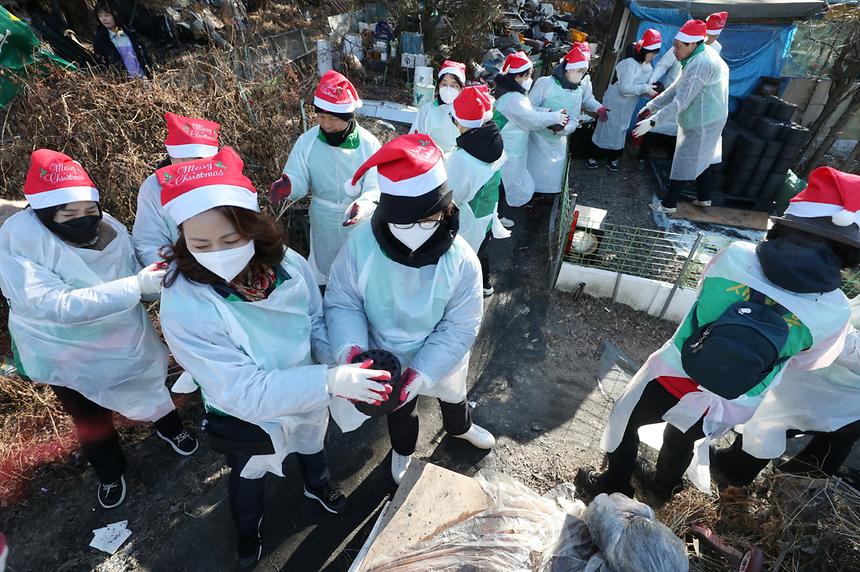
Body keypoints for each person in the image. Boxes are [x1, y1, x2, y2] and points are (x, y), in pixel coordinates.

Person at [156, 147, 391, 566]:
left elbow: (315, 320)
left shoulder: (287, 264)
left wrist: (339, 361)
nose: (218, 252)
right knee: (250, 470)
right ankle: (249, 529)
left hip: (305, 384)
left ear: (253, 229)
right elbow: (243, 389)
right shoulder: (185, 302)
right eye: (200, 243)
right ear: (182, 241)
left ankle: (316, 485)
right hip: (248, 411)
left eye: (230, 239)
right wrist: (330, 381)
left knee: (311, 442)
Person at [575, 166, 857, 507]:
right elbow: (807, 361)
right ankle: (661, 491)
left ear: (789, 223)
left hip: (672, 373)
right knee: (683, 440)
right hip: (735, 398)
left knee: (627, 419)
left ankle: (614, 482)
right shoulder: (836, 310)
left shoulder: (736, 257)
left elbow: (700, 294)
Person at [0, 149, 198, 510]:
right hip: (65, 348)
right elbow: (53, 304)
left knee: (148, 383)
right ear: (45, 213)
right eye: (69, 214)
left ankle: (172, 429)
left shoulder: (108, 227)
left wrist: (159, 262)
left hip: (122, 333)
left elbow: (134, 257)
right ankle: (110, 472)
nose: (83, 220)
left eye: (89, 211)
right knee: (89, 414)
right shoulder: (19, 242)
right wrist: (136, 287)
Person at [325, 134, 496, 486]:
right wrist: (351, 348)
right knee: (402, 410)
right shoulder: (361, 247)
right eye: (404, 222)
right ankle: (403, 451)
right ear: (387, 215)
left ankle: (460, 426)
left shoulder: (461, 260)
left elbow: (461, 325)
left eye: (430, 219)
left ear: (446, 210)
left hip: (439, 351)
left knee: (452, 392)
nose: (416, 231)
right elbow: (344, 302)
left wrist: (425, 370)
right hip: (385, 354)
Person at [707, 169, 860, 485]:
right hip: (832, 374)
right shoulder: (836, 307)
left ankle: (776, 481)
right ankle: (763, 475)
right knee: (786, 421)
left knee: (785, 421)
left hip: (845, 383)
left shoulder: (737, 257)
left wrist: (828, 330)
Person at [270, 70, 381, 286]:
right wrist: (288, 185)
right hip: (323, 219)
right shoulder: (308, 141)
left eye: (332, 118)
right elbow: (298, 176)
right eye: (321, 117)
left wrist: (363, 206)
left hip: (358, 221)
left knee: (358, 271)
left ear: (348, 117)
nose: (326, 124)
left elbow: (376, 186)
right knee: (324, 270)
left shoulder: (369, 145)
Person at [634, 20, 729, 214]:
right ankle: (704, 198)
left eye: (678, 47)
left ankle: (669, 205)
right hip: (712, 114)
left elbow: (680, 102)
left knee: (685, 159)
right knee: (705, 156)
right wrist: (651, 106)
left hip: (705, 119)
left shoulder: (701, 63)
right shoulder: (696, 56)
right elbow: (675, 88)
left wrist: (652, 121)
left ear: (692, 44)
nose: (674, 51)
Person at [132, 112, 221, 267]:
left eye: (200, 162)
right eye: (183, 163)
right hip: (182, 271)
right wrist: (177, 274)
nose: (193, 170)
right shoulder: (154, 187)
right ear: (173, 159)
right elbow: (149, 242)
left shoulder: (227, 180)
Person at [640, 13, 728, 167]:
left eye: (712, 37)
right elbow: (663, 65)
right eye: (707, 34)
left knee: (677, 130)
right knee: (653, 124)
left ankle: (668, 162)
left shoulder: (713, 52)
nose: (708, 39)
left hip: (690, 98)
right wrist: (651, 82)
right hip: (671, 90)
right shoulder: (685, 42)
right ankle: (642, 157)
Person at [492, 50, 569, 224]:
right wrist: (555, 117)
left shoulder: (513, 93)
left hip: (511, 147)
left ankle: (497, 216)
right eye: (528, 75)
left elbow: (528, 111)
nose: (530, 79)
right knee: (502, 184)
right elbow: (531, 120)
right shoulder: (512, 98)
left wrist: (546, 112)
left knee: (505, 183)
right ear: (518, 76)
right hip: (508, 150)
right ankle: (496, 218)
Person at [447, 85, 508, 297]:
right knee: (482, 248)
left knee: (462, 259)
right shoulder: (493, 139)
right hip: (487, 211)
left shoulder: (463, 158)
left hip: (469, 218)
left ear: (460, 122)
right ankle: (485, 285)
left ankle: (463, 295)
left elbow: (453, 195)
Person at [588, 29, 661, 172]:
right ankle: (593, 156)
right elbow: (625, 88)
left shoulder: (648, 67)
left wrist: (649, 92)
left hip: (627, 105)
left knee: (620, 130)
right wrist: (645, 88)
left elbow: (640, 90)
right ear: (644, 50)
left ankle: (613, 158)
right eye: (652, 53)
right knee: (605, 127)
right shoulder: (629, 63)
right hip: (614, 102)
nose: (653, 57)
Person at [527, 47, 593, 197]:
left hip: (558, 142)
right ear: (568, 69)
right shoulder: (545, 83)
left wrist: (564, 129)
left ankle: (542, 201)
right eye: (579, 71)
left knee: (549, 183)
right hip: (536, 139)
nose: (581, 76)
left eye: (583, 72)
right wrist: (549, 116)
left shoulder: (577, 92)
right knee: (531, 177)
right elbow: (528, 106)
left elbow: (575, 120)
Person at [409, 60, 466, 157]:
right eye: (444, 84)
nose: (448, 89)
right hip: (429, 160)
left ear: (461, 89)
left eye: (453, 85)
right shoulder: (427, 109)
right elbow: (415, 138)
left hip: (455, 162)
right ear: (438, 86)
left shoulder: (466, 112)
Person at [92, 1, 151, 80]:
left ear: (115, 14)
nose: (104, 19)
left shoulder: (130, 33)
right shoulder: (100, 39)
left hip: (143, 80)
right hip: (123, 85)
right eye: (100, 16)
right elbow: (102, 64)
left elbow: (143, 56)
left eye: (107, 15)